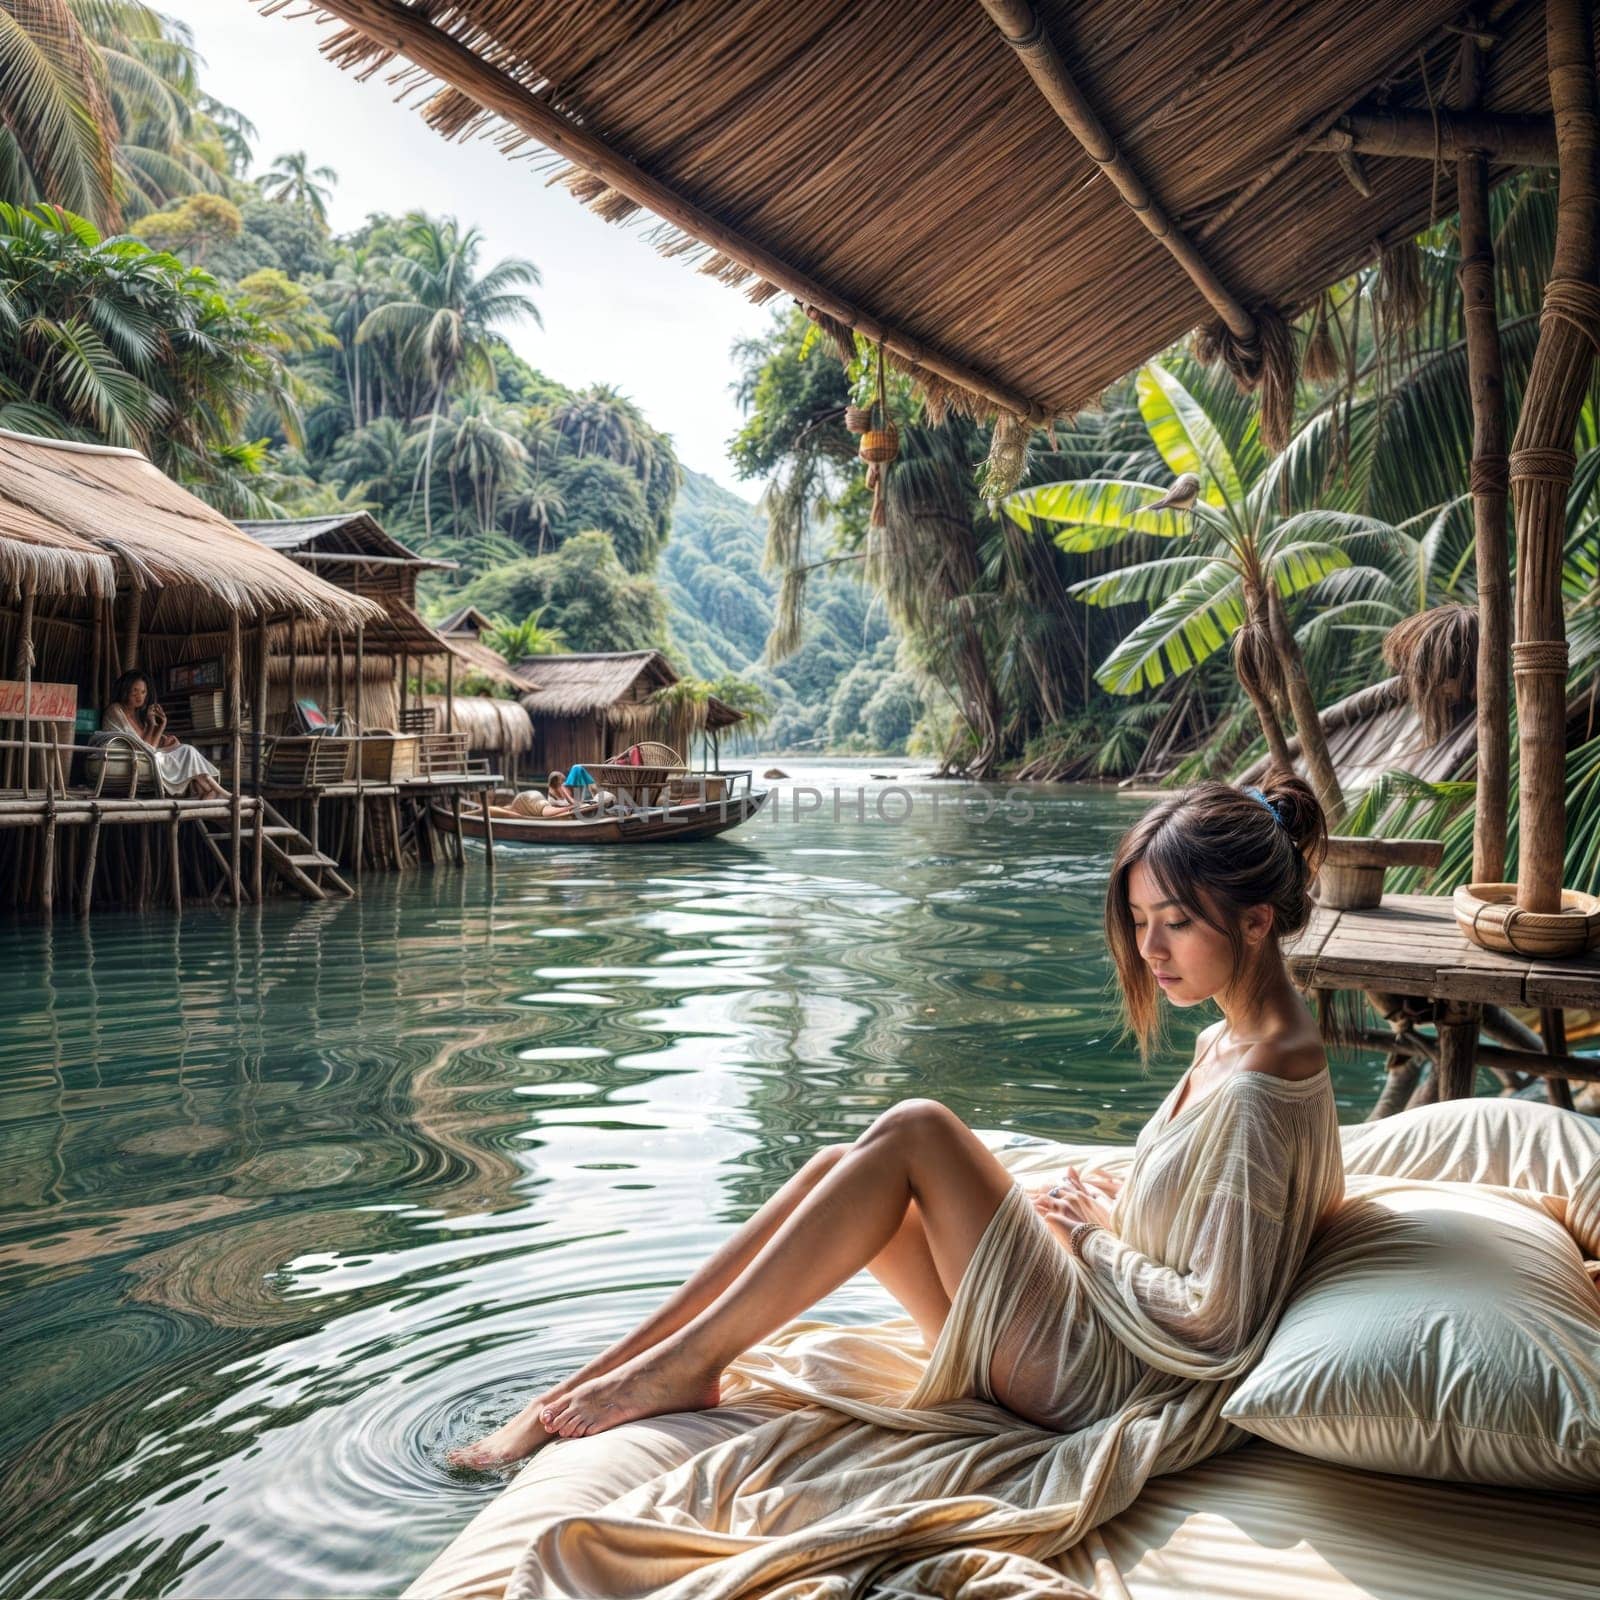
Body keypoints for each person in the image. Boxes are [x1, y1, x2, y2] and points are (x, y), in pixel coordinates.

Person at [450, 774, 1342, 1472]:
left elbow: (1219, 1322)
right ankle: (613, 1377)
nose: (1149, 952)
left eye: (1177, 925)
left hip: (1099, 1376)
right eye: (1142, 921)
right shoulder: (1237, 1037)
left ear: (1257, 921)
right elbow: (1199, 1212)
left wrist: (1090, 1241)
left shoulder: (1265, 1080)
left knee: (919, 1129)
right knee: (841, 1164)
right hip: (1084, 1339)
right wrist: (1094, 1206)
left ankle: (678, 1369)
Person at [101, 670, 227, 800]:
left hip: (144, 756)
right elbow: (147, 748)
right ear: (125, 690)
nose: (139, 696)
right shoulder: (116, 710)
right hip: (131, 758)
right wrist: (152, 727)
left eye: (143, 692)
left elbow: (148, 746)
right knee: (187, 751)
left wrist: (161, 726)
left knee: (185, 750)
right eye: (135, 691)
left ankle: (208, 791)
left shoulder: (138, 717)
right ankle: (212, 790)